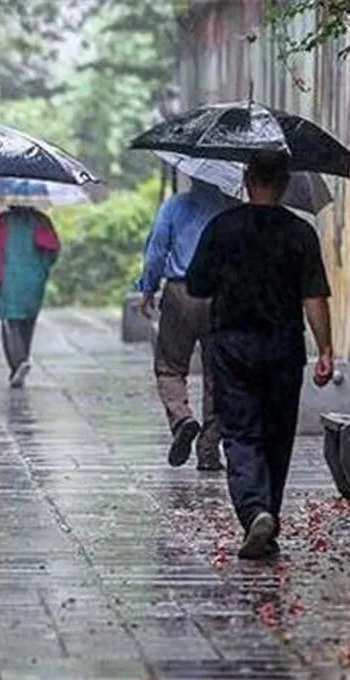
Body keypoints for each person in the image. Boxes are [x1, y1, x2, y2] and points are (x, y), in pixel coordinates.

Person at [186, 153, 334, 560]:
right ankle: (267, 511)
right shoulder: (300, 232)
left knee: (240, 432)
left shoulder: (222, 228)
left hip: (232, 345)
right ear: (285, 183)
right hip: (284, 346)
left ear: (247, 180)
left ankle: (255, 511)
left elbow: (197, 285)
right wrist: (325, 349)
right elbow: (314, 296)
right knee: (276, 434)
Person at [136, 177, 238, 470]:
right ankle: (208, 449)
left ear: (192, 174)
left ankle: (182, 419)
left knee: (170, 366)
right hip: (222, 296)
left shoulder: (174, 206)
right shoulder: (232, 210)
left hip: (181, 293)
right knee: (219, 372)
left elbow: (156, 250)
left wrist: (147, 288)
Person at [0, 204, 60, 387]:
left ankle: (18, 364)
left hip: (8, 278)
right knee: (28, 321)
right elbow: (53, 248)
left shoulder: (2, 221)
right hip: (34, 280)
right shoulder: (41, 221)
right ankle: (21, 361)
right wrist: (43, 268)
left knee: (10, 321)